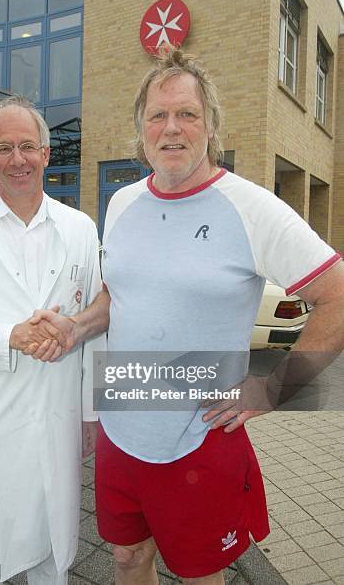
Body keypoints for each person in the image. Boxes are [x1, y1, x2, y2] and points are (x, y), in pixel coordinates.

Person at [29, 48, 344, 585]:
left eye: (187, 114)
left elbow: (337, 295)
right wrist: (77, 326)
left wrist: (272, 389)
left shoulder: (251, 207)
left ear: (211, 125)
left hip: (200, 438)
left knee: (198, 572)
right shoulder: (124, 203)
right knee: (128, 557)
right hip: (121, 427)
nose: (171, 128)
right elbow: (119, 293)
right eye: (158, 115)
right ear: (141, 127)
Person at [0, 96, 105, 585]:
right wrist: (9, 336)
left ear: (48, 153)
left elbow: (95, 324)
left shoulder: (78, 229)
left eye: (28, 146)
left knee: (53, 554)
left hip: (57, 415)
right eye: (3, 148)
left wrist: (91, 412)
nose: (18, 160)